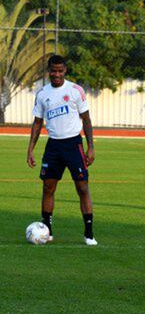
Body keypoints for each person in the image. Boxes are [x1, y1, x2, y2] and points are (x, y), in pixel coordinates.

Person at [27, 55, 97, 246]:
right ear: (48, 71)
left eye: (60, 71)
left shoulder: (76, 91)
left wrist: (90, 147)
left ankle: (89, 234)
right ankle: (46, 231)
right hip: (53, 146)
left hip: (74, 144)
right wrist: (30, 149)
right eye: (53, 71)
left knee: (82, 187)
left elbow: (87, 119)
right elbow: (37, 122)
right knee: (48, 187)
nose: (57, 74)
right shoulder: (42, 93)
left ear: (65, 71)